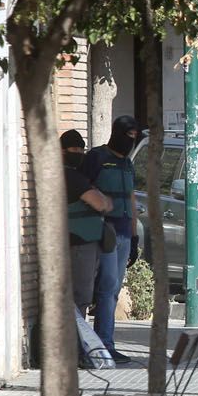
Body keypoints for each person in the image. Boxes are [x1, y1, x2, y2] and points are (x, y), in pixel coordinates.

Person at [81, 115, 140, 363]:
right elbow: (82, 188)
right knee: (106, 286)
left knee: (113, 290)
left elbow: (132, 198)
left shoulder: (127, 163)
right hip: (105, 231)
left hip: (125, 232)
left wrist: (136, 236)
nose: (132, 141)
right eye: (128, 135)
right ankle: (102, 345)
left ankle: (105, 342)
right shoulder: (97, 158)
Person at [63, 131, 115, 369]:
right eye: (74, 150)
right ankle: (77, 351)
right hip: (79, 245)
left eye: (80, 149)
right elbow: (102, 203)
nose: (78, 154)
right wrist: (104, 201)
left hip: (79, 244)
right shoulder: (72, 178)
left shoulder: (69, 175)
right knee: (80, 298)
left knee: (79, 298)